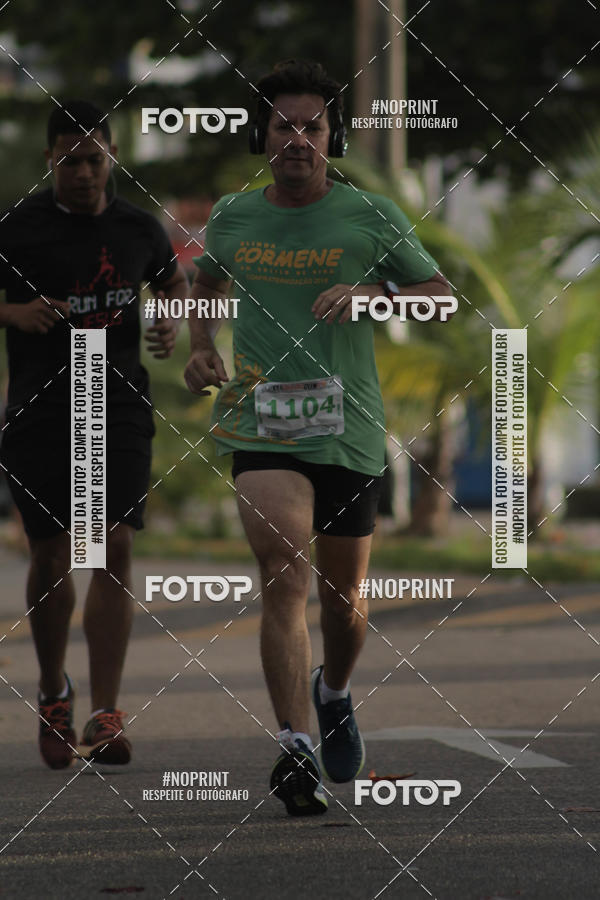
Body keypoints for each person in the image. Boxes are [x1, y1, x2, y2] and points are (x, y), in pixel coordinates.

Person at [184, 59, 453, 815]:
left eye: (314, 126)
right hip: (259, 421)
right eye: (284, 126)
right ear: (262, 137)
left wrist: (373, 295)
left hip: (349, 428)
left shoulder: (369, 214)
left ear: (333, 137)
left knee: (343, 601)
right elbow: (207, 283)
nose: (298, 139)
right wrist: (202, 346)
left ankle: (333, 691)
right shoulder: (234, 215)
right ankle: (295, 744)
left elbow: (440, 297)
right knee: (283, 571)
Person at [0, 100, 188, 769]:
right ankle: (55, 692)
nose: (83, 172)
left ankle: (106, 713)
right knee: (53, 554)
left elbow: (174, 283)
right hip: (42, 406)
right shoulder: (17, 228)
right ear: (49, 159)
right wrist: (14, 312)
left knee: (113, 545)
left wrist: (170, 320)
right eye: (70, 160)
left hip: (118, 400)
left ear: (111, 157)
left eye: (94, 159)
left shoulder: (138, 227)